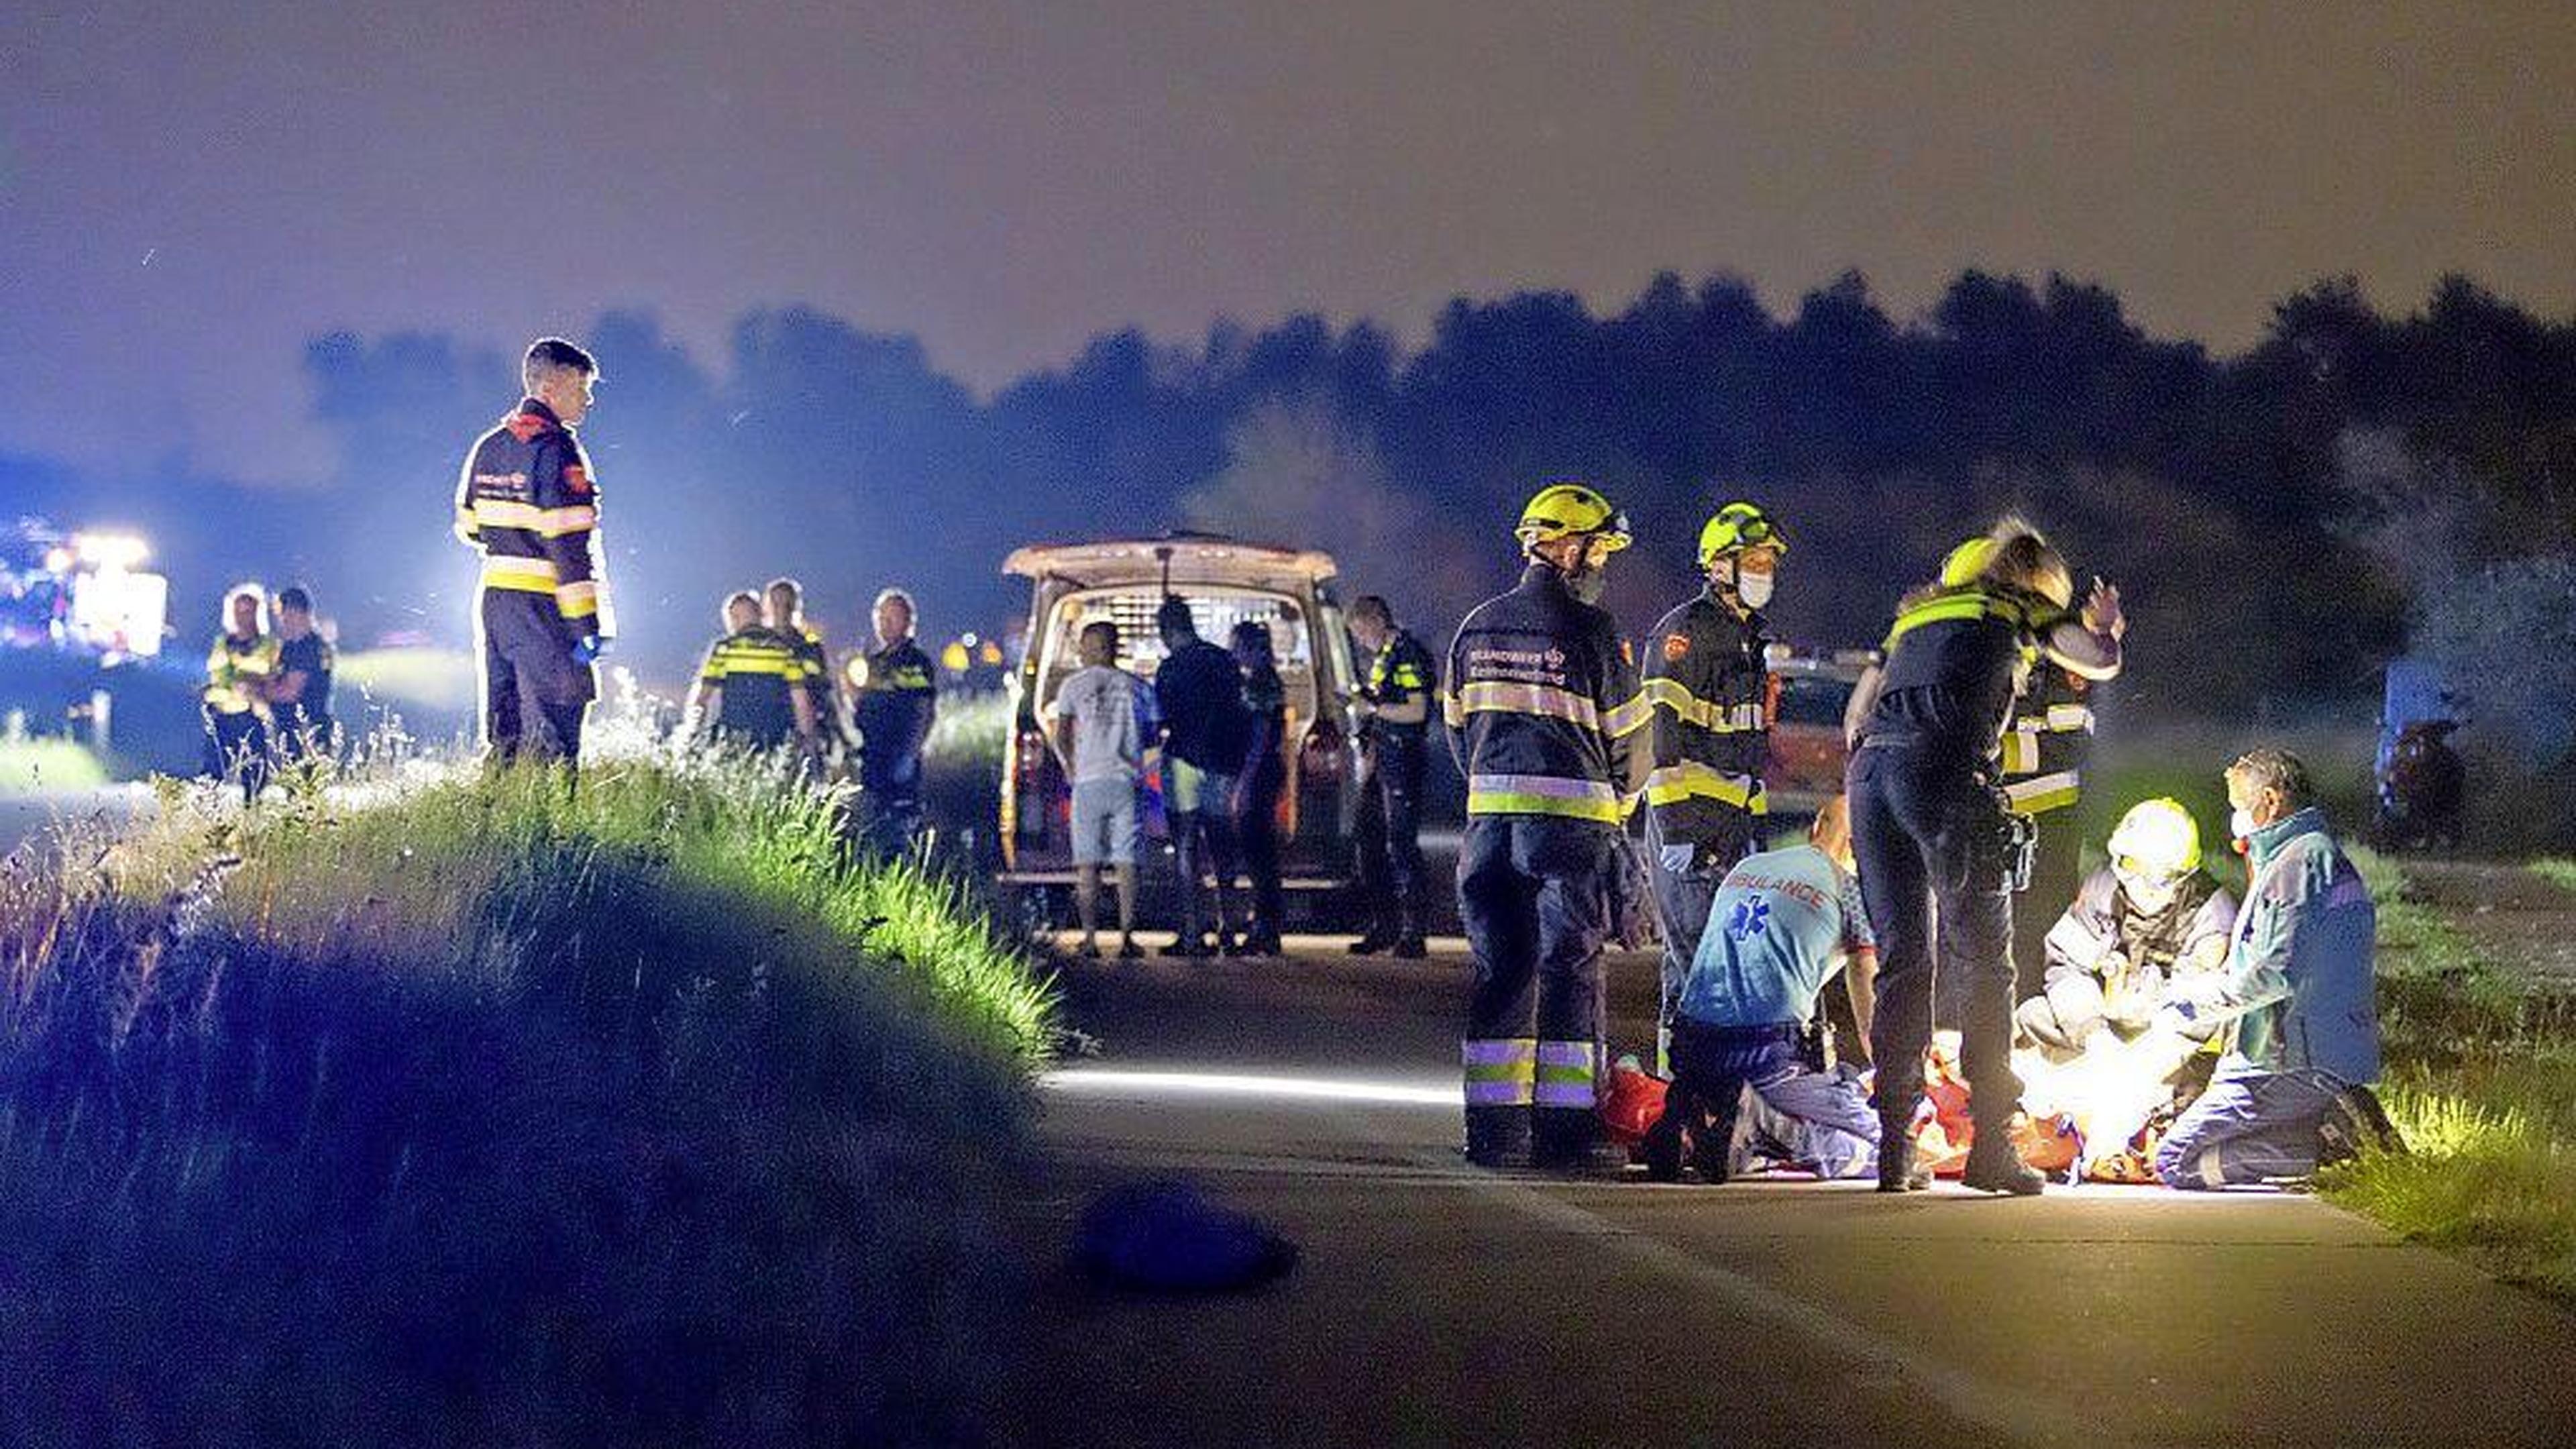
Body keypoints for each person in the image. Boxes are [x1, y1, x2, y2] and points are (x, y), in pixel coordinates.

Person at [1845, 519, 2124, 1195]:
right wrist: (2108, 629)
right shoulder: (2016, 606)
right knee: (1984, 963)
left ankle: (1894, 1147)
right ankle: (1992, 1145)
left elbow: (1855, 719)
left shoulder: (1919, 615)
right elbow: (2096, 661)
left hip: (1871, 780)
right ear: (2035, 577)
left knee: (1904, 958)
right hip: (1942, 775)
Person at [1445, 483, 1652, 1173]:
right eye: (1597, 550)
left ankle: (1494, 1136)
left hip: (1488, 834)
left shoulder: (1475, 626)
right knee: (1570, 971)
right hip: (1570, 835)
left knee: (1501, 974)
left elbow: (1456, 733)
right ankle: (1568, 1138)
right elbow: (1631, 743)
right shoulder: (1592, 631)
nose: (1601, 566)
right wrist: (1617, 806)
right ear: (1564, 548)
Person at [2153, 750, 2394, 1188]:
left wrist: (2189, 1005)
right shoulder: (2308, 857)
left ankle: (2332, 1148)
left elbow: (2274, 973)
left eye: (2237, 806)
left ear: (2269, 799)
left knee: (2175, 1160)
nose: (2235, 818)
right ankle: (2332, 1124)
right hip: (2314, 1049)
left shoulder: (2296, 866)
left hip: (2288, 1060)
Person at [1640, 796, 1881, 1183]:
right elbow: (1870, 998)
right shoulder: (1850, 891)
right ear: (1863, 847)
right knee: (1886, 1144)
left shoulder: (1748, 868)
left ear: (1815, 827)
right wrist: (1894, 1074)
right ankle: (1767, 1125)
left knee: (1733, 1102)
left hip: (1691, 1051)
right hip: (1765, 1057)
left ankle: (1690, 1125)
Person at [1641, 500, 1784, 1069]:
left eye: (1769, 562)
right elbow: (1661, 739)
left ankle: (1684, 1087)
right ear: (1719, 565)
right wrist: (1677, 829)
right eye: (1753, 559)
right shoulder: (1686, 635)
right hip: (1690, 829)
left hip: (1734, 831)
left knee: (1706, 967)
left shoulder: (1750, 640)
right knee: (1701, 965)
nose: (1763, 572)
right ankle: (1691, 1098)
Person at [452, 337, 611, 763]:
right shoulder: (558, 451)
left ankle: (495, 825)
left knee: (506, 733)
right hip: (545, 610)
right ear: (550, 388)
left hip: (495, 604)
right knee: (554, 732)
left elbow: (469, 527)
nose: (588, 398)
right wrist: (587, 629)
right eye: (581, 386)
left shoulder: (489, 446)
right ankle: (549, 830)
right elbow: (569, 547)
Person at [2017, 797, 2236, 1060]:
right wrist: (2091, 1029)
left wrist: (2152, 1020)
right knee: (2033, 1013)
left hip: (2166, 1034)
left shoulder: (2212, 913)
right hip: (2102, 1021)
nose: (2143, 884)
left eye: (2160, 876)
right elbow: (2066, 963)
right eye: (2132, 867)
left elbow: (2207, 1002)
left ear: (2184, 874)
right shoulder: (2103, 887)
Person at [1049, 620, 1158, 959]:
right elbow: (1154, 737)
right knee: (1128, 862)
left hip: (1087, 782)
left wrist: (1070, 767)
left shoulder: (1073, 687)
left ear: (1099, 647)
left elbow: (1062, 735)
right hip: (1127, 782)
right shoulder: (1138, 687)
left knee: (1088, 863)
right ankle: (1127, 938)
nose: (1079, 651)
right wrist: (1141, 765)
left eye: (1083, 644)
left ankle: (1091, 938)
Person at [1153, 596, 1252, 957]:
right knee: (1222, 845)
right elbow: (1240, 708)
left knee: (1186, 846)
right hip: (1222, 764)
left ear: (1165, 631)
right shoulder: (1223, 660)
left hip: (1182, 761)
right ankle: (1229, 928)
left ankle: (1193, 932)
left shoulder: (1169, 669)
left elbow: (1161, 719)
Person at [1346, 595, 1437, 957]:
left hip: (1402, 760)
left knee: (1400, 845)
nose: (1360, 640)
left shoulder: (1408, 655)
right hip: (1383, 759)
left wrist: (1374, 707)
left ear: (1377, 621)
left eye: (1361, 631)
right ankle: (1384, 926)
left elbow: (1416, 712)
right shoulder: (1386, 655)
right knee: (1369, 842)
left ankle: (1413, 934)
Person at [852, 588, 939, 857]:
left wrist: (910, 755)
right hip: (872, 755)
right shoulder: (873, 662)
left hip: (900, 755)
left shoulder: (916, 662)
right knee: (873, 821)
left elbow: (924, 711)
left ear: (908, 622)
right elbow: (860, 707)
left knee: (902, 822)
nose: (885, 623)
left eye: (893, 617)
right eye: (881, 617)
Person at [686, 592, 821, 755]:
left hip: (734, 741)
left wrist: (691, 734)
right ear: (759, 615)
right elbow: (802, 701)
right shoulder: (782, 648)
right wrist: (808, 741)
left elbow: (702, 698)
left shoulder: (725, 649)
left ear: (733, 619)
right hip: (775, 740)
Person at [1232, 619, 1289, 957]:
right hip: (1266, 772)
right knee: (1262, 854)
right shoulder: (1266, 680)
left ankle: (1265, 927)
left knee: (1259, 854)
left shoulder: (1260, 684)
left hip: (1259, 773)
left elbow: (1259, 738)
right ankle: (1266, 926)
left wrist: (1244, 783)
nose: (1233, 653)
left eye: (1238, 646)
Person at [201, 584, 279, 802]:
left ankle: (252, 813)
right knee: (212, 772)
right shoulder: (223, 643)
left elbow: (274, 675)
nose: (243, 617)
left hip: (253, 713)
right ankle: (208, 819)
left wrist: (254, 683)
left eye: (248, 611)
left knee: (255, 774)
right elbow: (217, 676)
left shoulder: (269, 644)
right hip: (222, 714)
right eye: (239, 611)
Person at [766, 577, 846, 769]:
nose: (782, 610)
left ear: (796, 607)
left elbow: (826, 691)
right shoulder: (761, 646)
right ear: (767, 607)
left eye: (788, 604)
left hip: (806, 733)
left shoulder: (810, 648)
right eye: (776, 603)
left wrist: (837, 732)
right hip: (769, 730)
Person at [268, 585, 337, 766]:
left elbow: (290, 692)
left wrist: (251, 690)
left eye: (282, 613)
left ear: (294, 611)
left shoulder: (310, 647)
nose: (281, 620)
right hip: (294, 734)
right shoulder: (291, 646)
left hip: (307, 735)